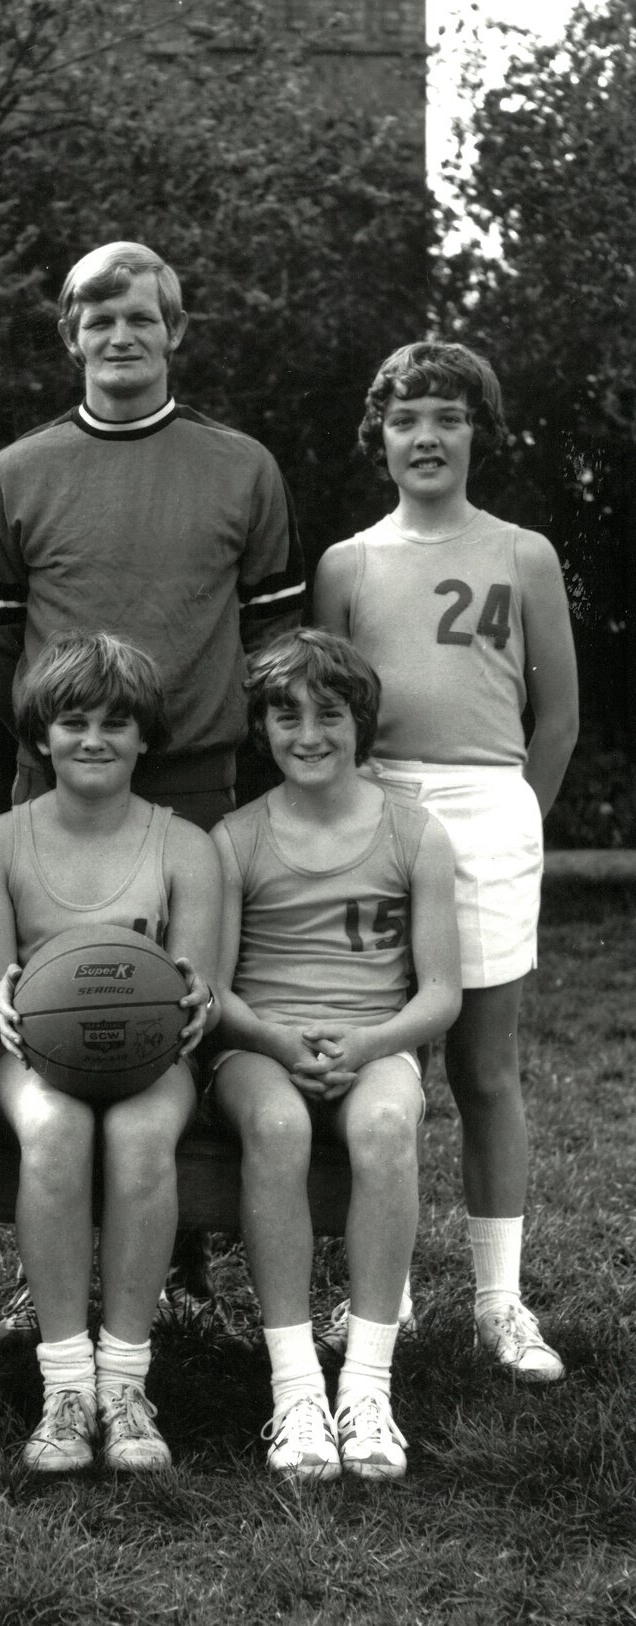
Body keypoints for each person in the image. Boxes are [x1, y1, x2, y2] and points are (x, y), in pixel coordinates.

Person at [0, 240, 304, 1338]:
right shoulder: (16, 474)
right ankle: (47, 1266)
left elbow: (273, 633)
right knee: (57, 1014)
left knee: (180, 1018)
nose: (120, 337)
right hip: (57, 784)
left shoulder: (242, 467)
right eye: (97, 319)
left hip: (196, 783)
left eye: (141, 318)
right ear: (71, 336)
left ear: (176, 331)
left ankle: (184, 1267)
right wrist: (62, 732)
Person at [314, 341, 579, 1380]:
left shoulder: (525, 553)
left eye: (448, 418)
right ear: (377, 438)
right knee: (384, 1067)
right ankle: (387, 1290)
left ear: (477, 434)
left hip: (485, 805)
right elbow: (325, 710)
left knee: (481, 1066)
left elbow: (554, 719)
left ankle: (497, 1300)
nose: (426, 436)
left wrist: (517, 820)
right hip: (376, 807)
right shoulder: (347, 563)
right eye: (406, 418)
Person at [211, 629, 460, 1480]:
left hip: (374, 1041)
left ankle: (366, 1383)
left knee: (389, 1124)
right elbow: (215, 995)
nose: (308, 734)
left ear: (364, 723)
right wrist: (280, 1041)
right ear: (262, 728)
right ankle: (295, 1391)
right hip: (260, 1048)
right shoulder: (236, 837)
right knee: (277, 1125)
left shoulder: (415, 833)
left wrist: (368, 1043)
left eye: (329, 714)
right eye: (286, 715)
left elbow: (440, 995)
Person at [0, 631, 220, 1473]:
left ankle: (125, 1382)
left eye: (117, 722)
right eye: (72, 720)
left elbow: (203, 988)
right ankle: (65, 1385)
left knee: (143, 1136)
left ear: (146, 737)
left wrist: (197, 1000)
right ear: (40, 734)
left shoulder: (185, 844)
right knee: (53, 1130)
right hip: (34, 1056)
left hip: (155, 1059)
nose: (94, 738)